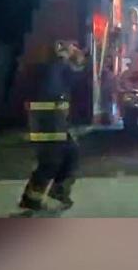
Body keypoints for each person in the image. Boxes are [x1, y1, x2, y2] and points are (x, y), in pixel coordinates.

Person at [19, 41, 87, 212]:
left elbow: (76, 74)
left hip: (56, 122)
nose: (75, 52)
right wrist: (67, 59)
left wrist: (75, 59)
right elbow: (54, 90)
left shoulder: (58, 69)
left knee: (71, 154)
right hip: (47, 123)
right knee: (50, 161)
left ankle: (58, 190)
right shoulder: (54, 69)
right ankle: (31, 199)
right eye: (72, 48)